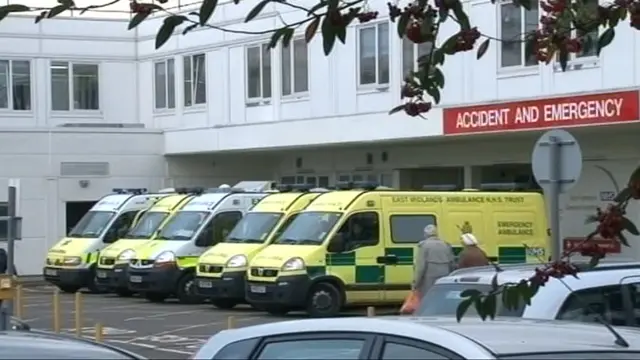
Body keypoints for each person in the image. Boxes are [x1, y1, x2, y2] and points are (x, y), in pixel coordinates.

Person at [413, 225, 456, 296]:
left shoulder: (424, 246)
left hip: (428, 281)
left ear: (425, 234)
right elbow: (452, 264)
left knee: (429, 300)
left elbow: (420, 267)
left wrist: (415, 283)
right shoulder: (446, 245)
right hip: (444, 279)